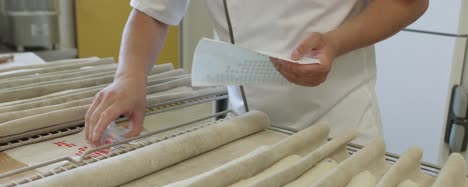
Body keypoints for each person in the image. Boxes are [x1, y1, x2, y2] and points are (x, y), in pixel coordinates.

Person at [85, 0, 429, 146]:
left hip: (341, 126)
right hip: (247, 129)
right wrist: (130, 75)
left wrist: (336, 42)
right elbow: (152, 12)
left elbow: (407, 2)